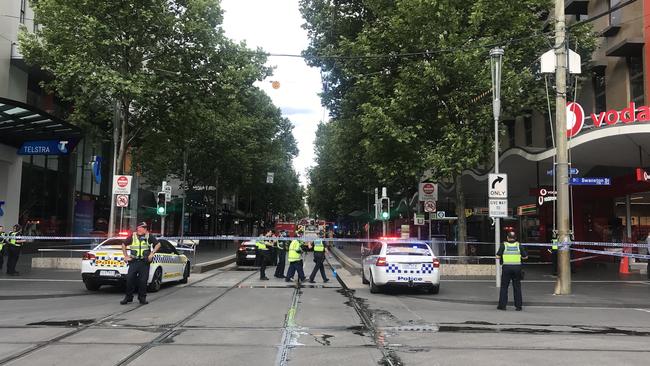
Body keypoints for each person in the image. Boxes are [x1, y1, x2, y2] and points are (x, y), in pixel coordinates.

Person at [120, 222, 161, 305]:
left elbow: (158, 244)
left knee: (143, 281)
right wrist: (126, 256)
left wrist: (152, 253)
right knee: (130, 279)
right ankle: (128, 297)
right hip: (134, 261)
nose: (141, 229)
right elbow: (123, 244)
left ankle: (142, 298)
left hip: (144, 262)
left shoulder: (149, 236)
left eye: (143, 228)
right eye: (140, 227)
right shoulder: (133, 236)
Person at [496, 231, 528, 311]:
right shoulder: (518, 245)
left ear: (507, 238)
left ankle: (502, 306)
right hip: (517, 268)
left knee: (504, 287)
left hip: (506, 268)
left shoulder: (504, 245)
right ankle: (518, 306)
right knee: (517, 287)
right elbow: (525, 257)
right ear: (515, 238)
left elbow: (497, 256)